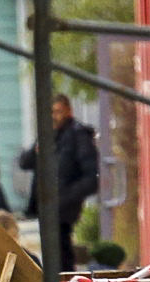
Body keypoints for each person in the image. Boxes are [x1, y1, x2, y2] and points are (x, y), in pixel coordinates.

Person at [16, 95, 102, 271]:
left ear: (68, 111)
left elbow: (91, 178)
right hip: (45, 206)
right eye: (51, 112)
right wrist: (36, 150)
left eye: (58, 111)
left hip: (63, 207)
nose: (54, 116)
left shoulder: (78, 136)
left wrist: (65, 197)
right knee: (51, 255)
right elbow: (24, 162)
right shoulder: (48, 136)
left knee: (61, 254)